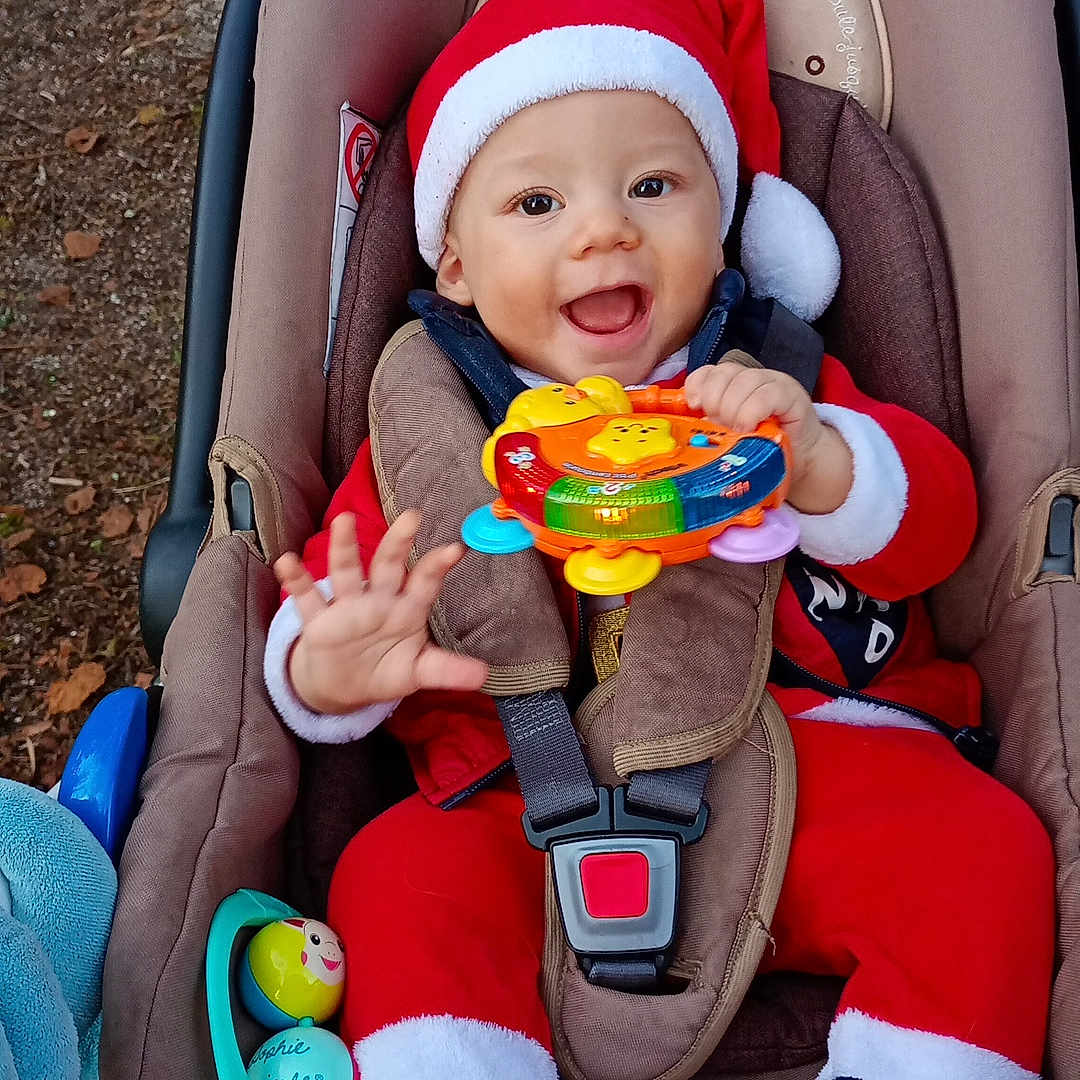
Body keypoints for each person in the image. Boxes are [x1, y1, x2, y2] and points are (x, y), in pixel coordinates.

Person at [262, 2, 1055, 1077]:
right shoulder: (429, 428)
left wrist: (825, 465)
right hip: (515, 792)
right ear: (454, 264)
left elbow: (942, 534)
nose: (603, 230)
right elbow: (332, 583)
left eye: (652, 186)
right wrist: (333, 662)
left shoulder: (770, 381)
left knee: (981, 849)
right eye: (537, 202)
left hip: (799, 753)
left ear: (720, 219)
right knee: (396, 879)